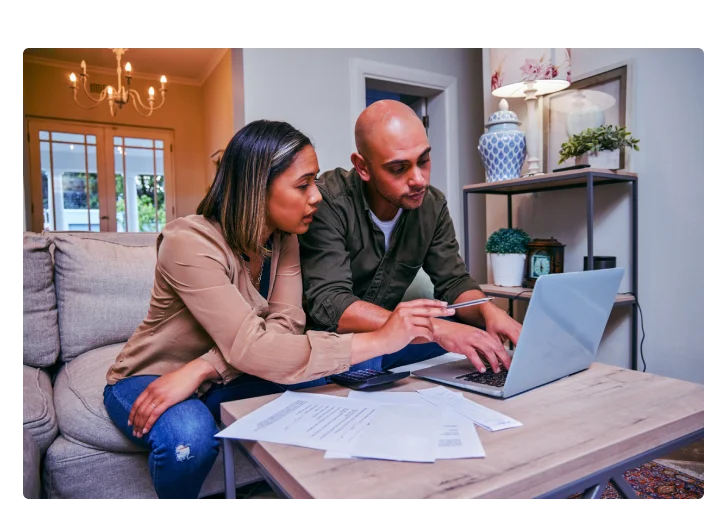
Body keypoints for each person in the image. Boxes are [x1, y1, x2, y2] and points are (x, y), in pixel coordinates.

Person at [103, 120, 455, 501]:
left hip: (222, 374)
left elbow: (285, 329)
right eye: (303, 185)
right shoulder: (186, 242)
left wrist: (204, 368)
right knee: (188, 438)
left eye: (315, 181)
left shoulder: (284, 238)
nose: (317, 196)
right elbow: (256, 348)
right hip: (156, 376)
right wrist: (382, 337)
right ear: (256, 189)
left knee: (343, 381)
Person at [298, 100, 523, 376]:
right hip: (335, 346)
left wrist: (487, 309)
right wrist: (434, 328)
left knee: (477, 338)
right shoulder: (328, 201)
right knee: (424, 346)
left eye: (424, 160)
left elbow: (453, 281)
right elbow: (331, 303)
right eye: (398, 168)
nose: (419, 180)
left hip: (394, 341)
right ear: (363, 167)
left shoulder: (432, 205)